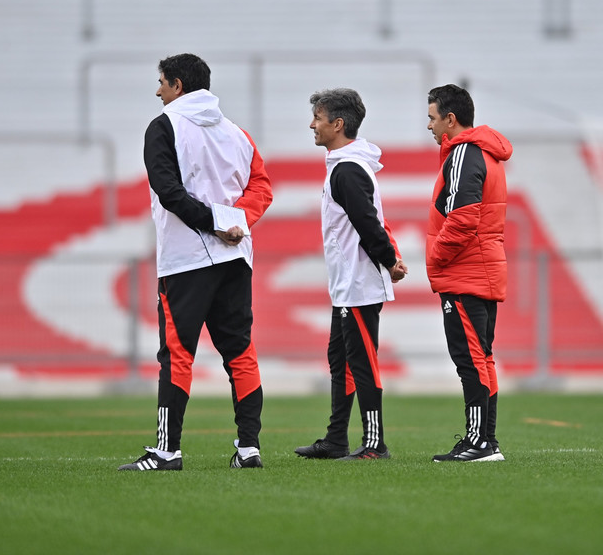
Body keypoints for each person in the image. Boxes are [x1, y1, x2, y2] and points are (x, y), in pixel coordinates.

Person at [119, 53, 273, 471]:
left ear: (178, 86)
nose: (158, 91)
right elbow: (262, 186)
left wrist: (215, 223)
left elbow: (168, 191)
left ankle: (167, 452)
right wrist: (234, 223)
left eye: (162, 83)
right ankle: (249, 449)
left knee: (177, 353)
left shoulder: (163, 126)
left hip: (186, 259)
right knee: (240, 351)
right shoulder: (238, 133)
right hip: (237, 256)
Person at [295, 88, 408, 461]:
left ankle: (374, 443)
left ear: (338, 124)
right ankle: (336, 439)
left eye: (318, 117)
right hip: (346, 286)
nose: (312, 123)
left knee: (362, 363)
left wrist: (389, 260)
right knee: (340, 361)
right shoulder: (344, 167)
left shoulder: (347, 170)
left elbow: (367, 222)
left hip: (358, 286)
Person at [425, 84, 512, 462]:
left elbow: (462, 218)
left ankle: (479, 441)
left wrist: (436, 260)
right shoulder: (486, 153)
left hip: (466, 272)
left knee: (471, 360)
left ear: (450, 118)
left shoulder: (463, 153)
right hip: (482, 269)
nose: (428, 126)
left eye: (431, 118)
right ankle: (486, 440)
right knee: (483, 358)